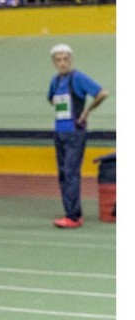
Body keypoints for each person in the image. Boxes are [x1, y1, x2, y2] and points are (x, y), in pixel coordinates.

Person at [46, 43, 109, 228]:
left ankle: (73, 216)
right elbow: (51, 98)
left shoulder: (78, 78)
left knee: (71, 173)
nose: (62, 63)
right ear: (54, 62)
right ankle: (71, 212)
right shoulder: (55, 81)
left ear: (70, 60)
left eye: (65, 59)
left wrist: (86, 111)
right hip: (59, 133)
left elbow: (102, 93)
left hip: (75, 133)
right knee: (64, 174)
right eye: (58, 60)